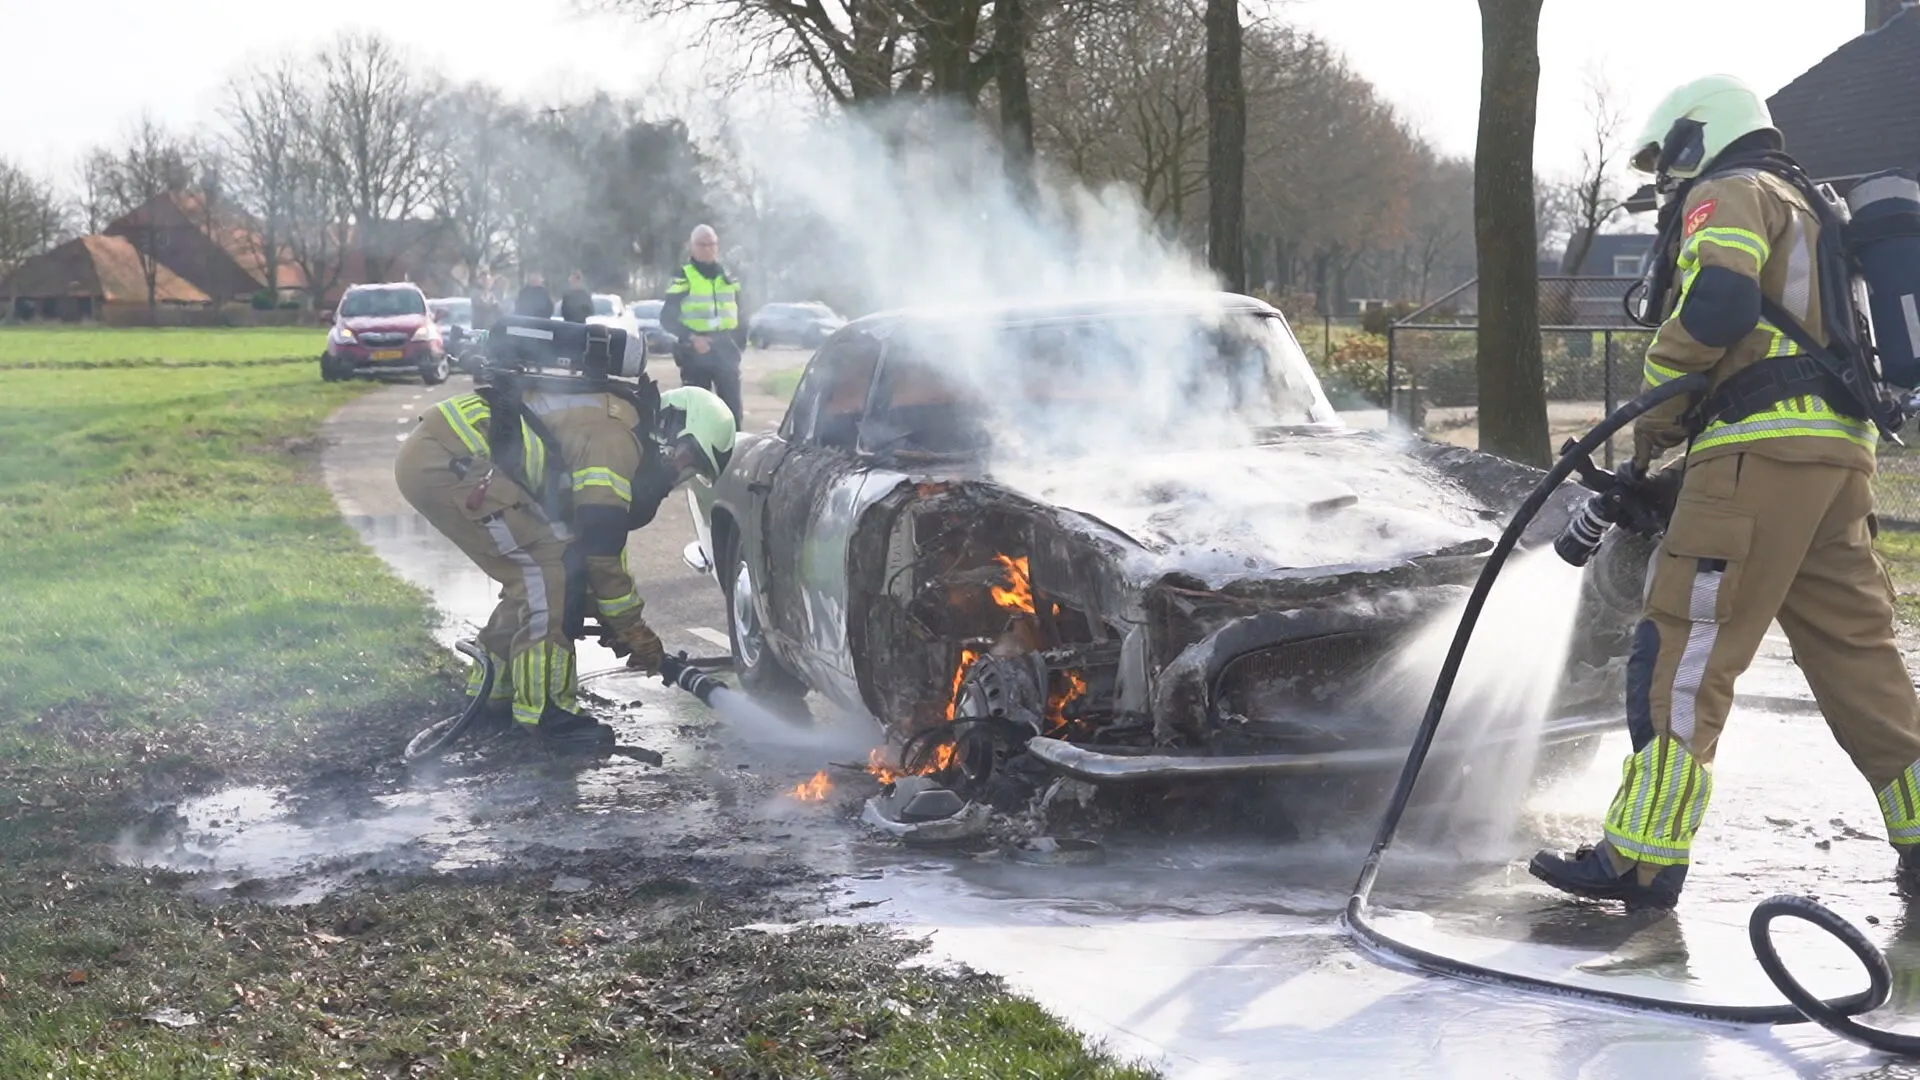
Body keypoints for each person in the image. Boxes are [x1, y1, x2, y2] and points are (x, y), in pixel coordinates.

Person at [1530, 74, 1920, 909]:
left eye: (1669, 166)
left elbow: (1719, 304)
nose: (1670, 186)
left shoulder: (1731, 192)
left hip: (1753, 457)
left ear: (1695, 136)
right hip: (1839, 461)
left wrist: (1654, 418)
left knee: (1683, 650)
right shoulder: (1818, 210)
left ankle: (1642, 858)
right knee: (1861, 659)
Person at [395, 377, 737, 751]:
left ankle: (494, 696)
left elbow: (586, 540)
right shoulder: (617, 438)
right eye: (686, 457)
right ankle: (547, 715)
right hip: (453, 461)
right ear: (673, 423)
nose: (678, 472)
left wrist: (611, 617)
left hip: (445, 455)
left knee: (535, 577)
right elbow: (602, 546)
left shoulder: (619, 423)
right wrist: (630, 628)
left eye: (690, 471)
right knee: (545, 574)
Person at [661, 224, 746, 426]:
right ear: (692, 246)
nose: (707, 249)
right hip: (695, 351)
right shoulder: (683, 275)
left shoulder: (729, 275)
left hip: (725, 348)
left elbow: (741, 309)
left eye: (711, 244)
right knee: (696, 414)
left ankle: (732, 453)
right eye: (701, 244)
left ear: (717, 246)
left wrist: (739, 341)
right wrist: (692, 338)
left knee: (732, 412)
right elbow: (667, 318)